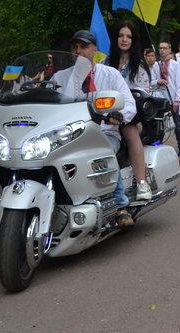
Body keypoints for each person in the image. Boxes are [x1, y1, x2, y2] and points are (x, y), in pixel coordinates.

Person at [54, 30, 136, 227]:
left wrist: (119, 115)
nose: (79, 51)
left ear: (94, 50)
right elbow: (50, 102)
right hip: (67, 135)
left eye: (84, 47)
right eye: (75, 47)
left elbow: (129, 104)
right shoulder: (60, 77)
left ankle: (120, 207)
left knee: (103, 151)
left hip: (104, 132)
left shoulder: (111, 74)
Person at [106, 21, 152, 201]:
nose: (124, 40)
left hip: (131, 116)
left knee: (129, 130)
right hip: (105, 116)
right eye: (121, 35)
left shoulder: (139, 65)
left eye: (128, 36)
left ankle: (142, 183)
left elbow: (144, 93)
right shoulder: (105, 63)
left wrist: (130, 95)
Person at [156, 41, 180, 156]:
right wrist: (158, 81)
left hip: (171, 97)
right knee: (160, 123)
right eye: (160, 48)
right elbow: (152, 81)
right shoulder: (156, 64)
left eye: (164, 48)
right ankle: (159, 145)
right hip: (160, 97)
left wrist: (177, 100)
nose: (162, 50)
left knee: (176, 123)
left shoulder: (174, 65)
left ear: (169, 49)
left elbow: (178, 82)